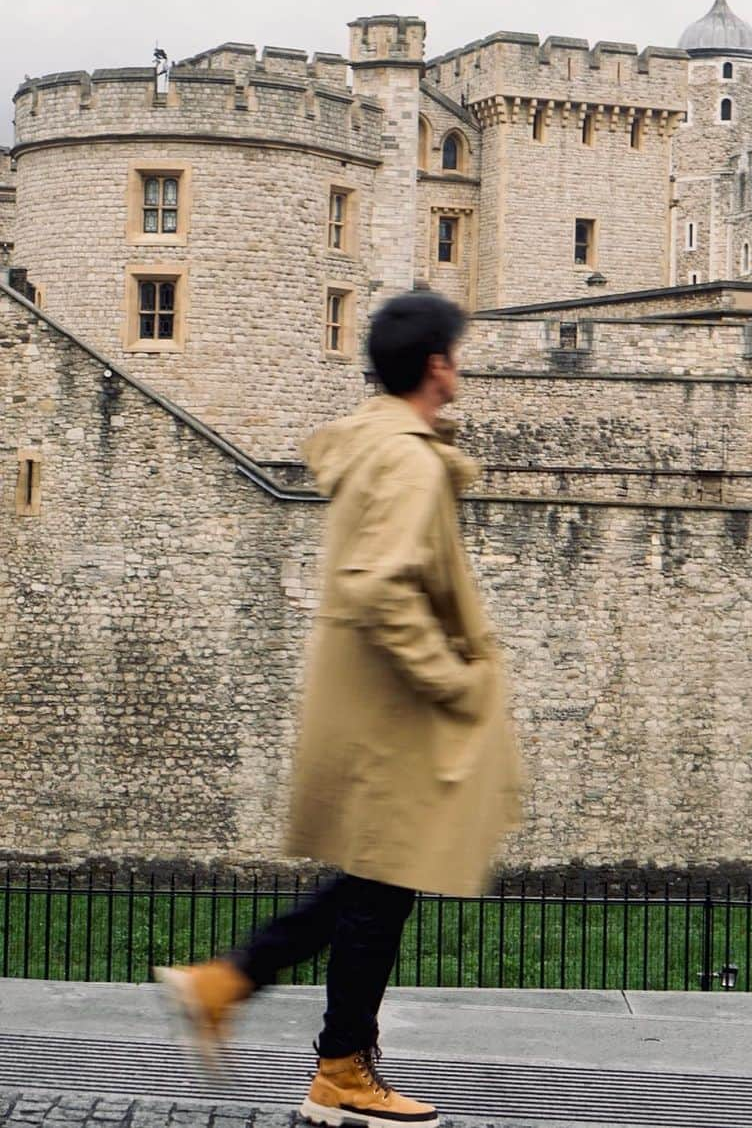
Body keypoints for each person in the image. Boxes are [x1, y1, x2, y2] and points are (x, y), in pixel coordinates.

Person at [156, 291, 521, 1127]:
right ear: (436, 364)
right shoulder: (409, 460)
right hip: (397, 709)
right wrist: (453, 681)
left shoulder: (382, 443)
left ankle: (240, 990)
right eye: (456, 353)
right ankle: (338, 1069)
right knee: (378, 891)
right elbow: (379, 586)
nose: (461, 366)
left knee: (373, 886)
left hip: (369, 701)